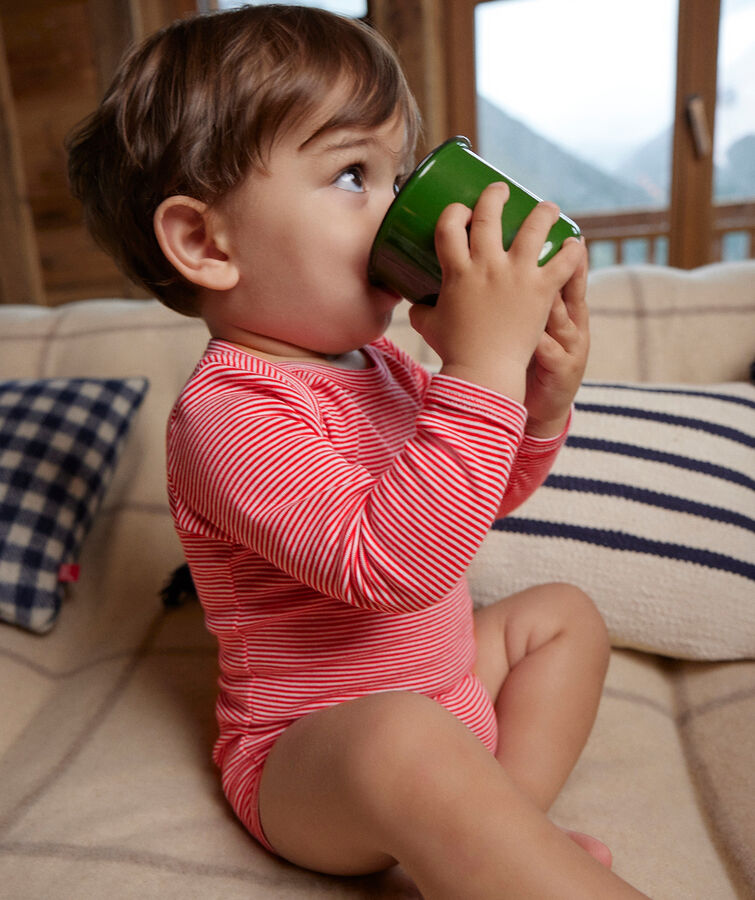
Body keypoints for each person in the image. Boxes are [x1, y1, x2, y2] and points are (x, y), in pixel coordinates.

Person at [66, 6, 651, 898]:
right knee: (399, 738)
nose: (396, 213)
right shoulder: (227, 414)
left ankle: (502, 838)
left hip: (445, 696)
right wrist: (480, 369)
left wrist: (536, 402)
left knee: (562, 617)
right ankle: (495, 849)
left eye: (397, 174)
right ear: (206, 243)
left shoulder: (379, 365)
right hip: (316, 755)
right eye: (351, 175)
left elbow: (469, 504)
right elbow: (393, 565)